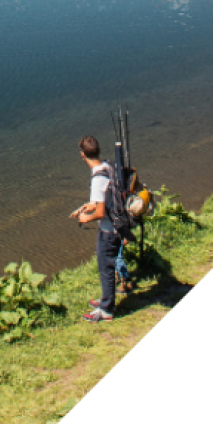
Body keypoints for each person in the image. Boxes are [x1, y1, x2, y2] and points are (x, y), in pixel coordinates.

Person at [73, 135, 120, 322]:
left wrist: (86, 218)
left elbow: (100, 211)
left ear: (82, 155)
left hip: (108, 230)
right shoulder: (107, 167)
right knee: (107, 266)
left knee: (105, 268)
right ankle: (106, 299)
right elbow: (102, 200)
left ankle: (106, 310)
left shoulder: (97, 179)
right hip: (116, 225)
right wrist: (85, 207)